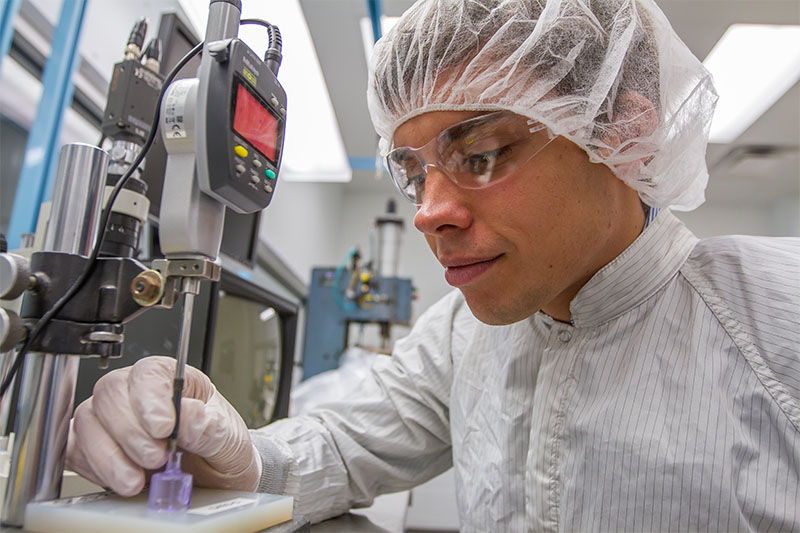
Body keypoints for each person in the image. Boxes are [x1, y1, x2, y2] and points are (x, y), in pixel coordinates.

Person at [67, 0, 800, 530]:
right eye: (415, 174)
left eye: (478, 154)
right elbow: (342, 445)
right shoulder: (464, 334)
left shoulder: (777, 322)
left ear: (623, 134)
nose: (428, 212)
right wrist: (225, 448)